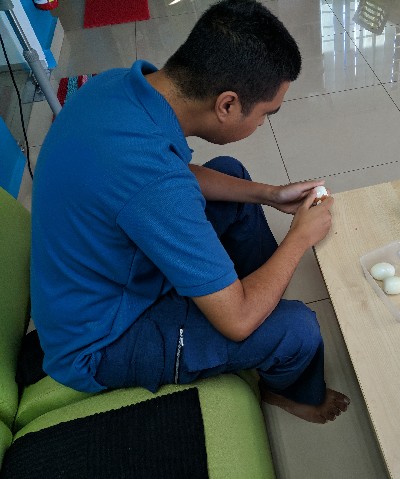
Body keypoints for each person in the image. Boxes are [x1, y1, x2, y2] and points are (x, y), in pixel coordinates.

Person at [30, 0, 349, 424]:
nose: (263, 124)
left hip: (92, 275)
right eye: (265, 114)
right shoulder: (154, 184)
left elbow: (168, 175)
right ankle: (287, 388)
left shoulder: (115, 86)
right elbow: (236, 322)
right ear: (227, 105)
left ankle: (257, 297)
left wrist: (269, 194)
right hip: (101, 339)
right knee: (297, 330)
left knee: (231, 177)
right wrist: (300, 237)